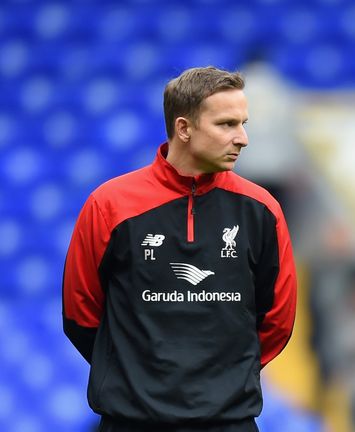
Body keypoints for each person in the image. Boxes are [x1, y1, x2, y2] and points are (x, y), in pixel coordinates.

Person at [62, 66, 297, 432]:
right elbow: (80, 313)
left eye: (243, 123)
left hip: (228, 421)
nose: (243, 138)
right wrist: (135, 376)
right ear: (184, 128)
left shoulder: (262, 209)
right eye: (226, 124)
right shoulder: (109, 205)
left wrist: (225, 380)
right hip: (132, 421)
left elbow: (278, 320)